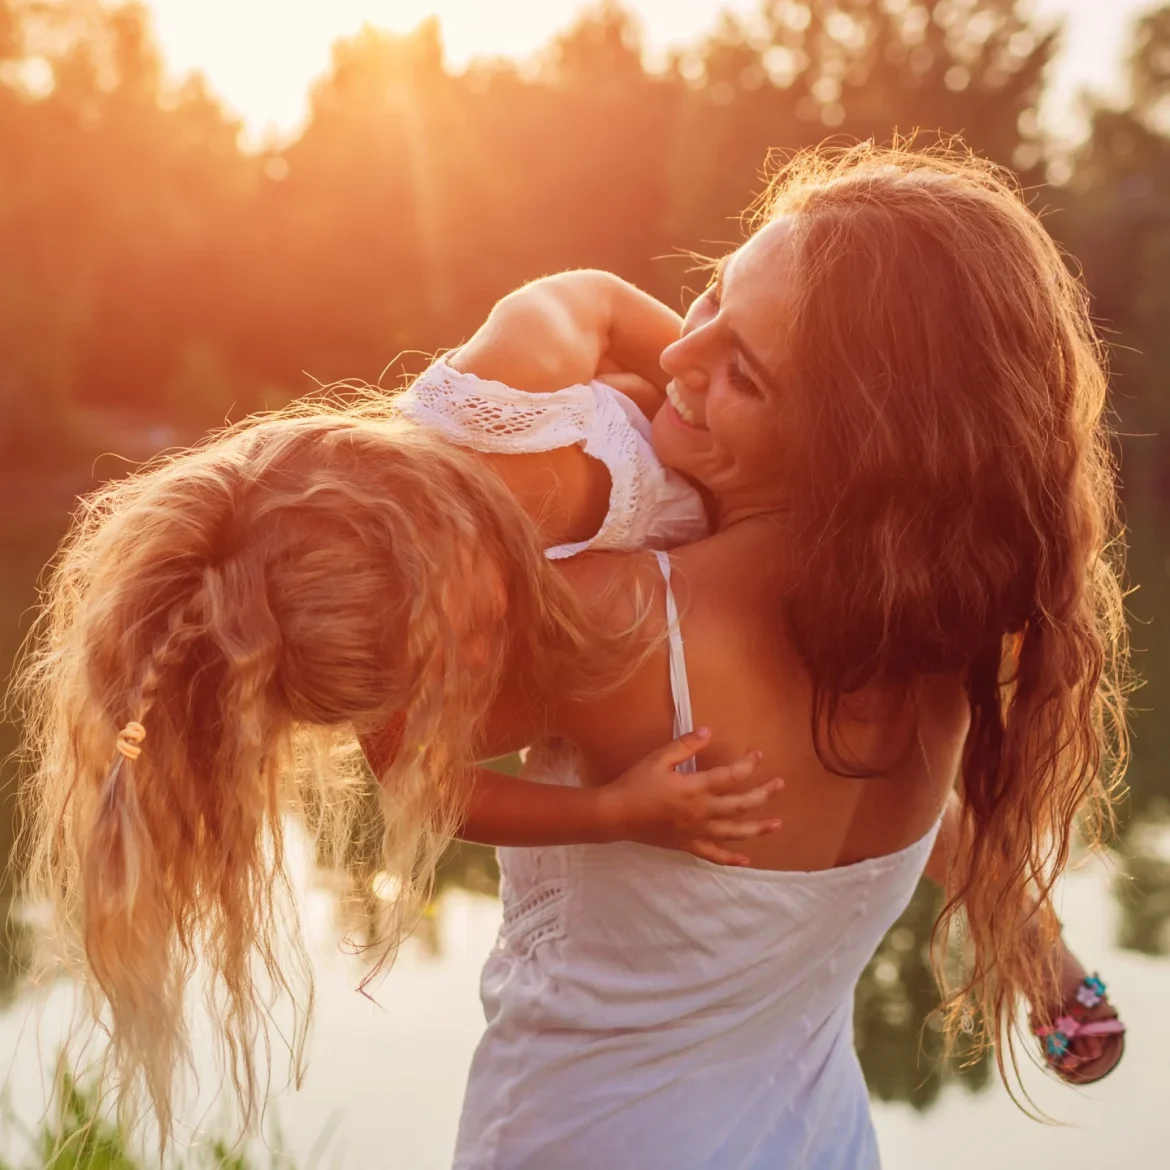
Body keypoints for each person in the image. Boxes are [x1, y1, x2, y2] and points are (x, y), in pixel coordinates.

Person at [11, 142, 1127, 1163]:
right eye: (710, 298)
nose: (680, 353)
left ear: (863, 448)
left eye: (746, 370)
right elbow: (930, 830)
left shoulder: (622, 620)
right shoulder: (937, 641)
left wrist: (430, 539)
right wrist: (1041, 945)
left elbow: (397, 729)